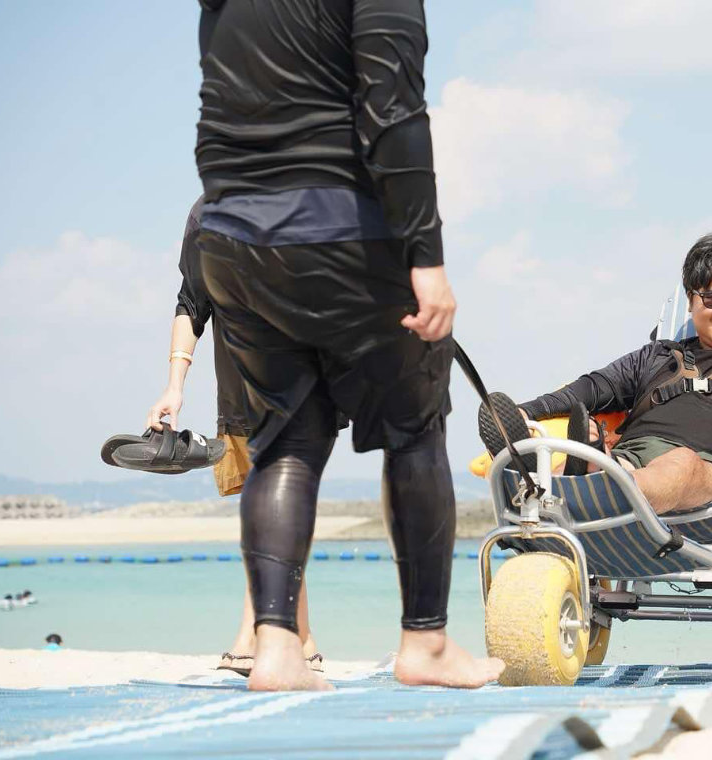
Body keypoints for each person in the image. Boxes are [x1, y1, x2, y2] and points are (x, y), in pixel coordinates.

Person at [195, 0, 504, 691]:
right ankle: (424, 643)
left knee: (287, 443)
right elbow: (393, 106)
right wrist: (426, 254)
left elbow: (216, 104)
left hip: (230, 236)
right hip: (342, 228)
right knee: (416, 427)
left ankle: (276, 648)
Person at [481, 233, 712, 516]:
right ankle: (574, 478)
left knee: (679, 463)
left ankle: (570, 490)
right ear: (691, 299)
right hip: (631, 458)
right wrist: (523, 413)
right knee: (611, 459)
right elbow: (591, 387)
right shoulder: (659, 356)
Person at [147, 198, 323, 677]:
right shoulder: (207, 213)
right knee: (269, 505)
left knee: (272, 502)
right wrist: (174, 387)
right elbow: (191, 302)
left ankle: (257, 631)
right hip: (239, 388)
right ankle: (301, 637)